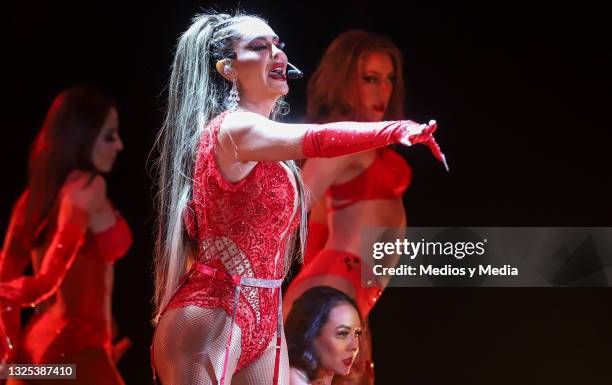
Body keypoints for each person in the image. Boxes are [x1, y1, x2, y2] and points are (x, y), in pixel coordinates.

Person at [151, 12, 443, 385]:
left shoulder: (272, 150)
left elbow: (299, 220)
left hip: (264, 311)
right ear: (227, 69)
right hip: (215, 313)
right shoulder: (232, 128)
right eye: (259, 47)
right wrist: (397, 129)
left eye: (278, 45)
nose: (276, 54)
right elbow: (320, 141)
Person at [283, 30, 433, 385]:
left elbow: (316, 223)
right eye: (370, 79)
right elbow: (294, 205)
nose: (383, 90)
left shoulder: (367, 141)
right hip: (335, 288)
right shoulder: (342, 139)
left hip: (350, 291)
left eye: (389, 79)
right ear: (345, 82)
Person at [0, 86, 132, 385]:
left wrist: (10, 356)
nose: (119, 145)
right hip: (76, 350)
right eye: (109, 135)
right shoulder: (89, 189)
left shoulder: (31, 200)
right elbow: (45, 282)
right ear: (81, 137)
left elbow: (7, 278)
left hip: (37, 353)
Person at [286, 287, 361, 385]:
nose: (355, 346)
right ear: (311, 334)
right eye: (342, 333)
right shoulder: (294, 378)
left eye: (357, 333)